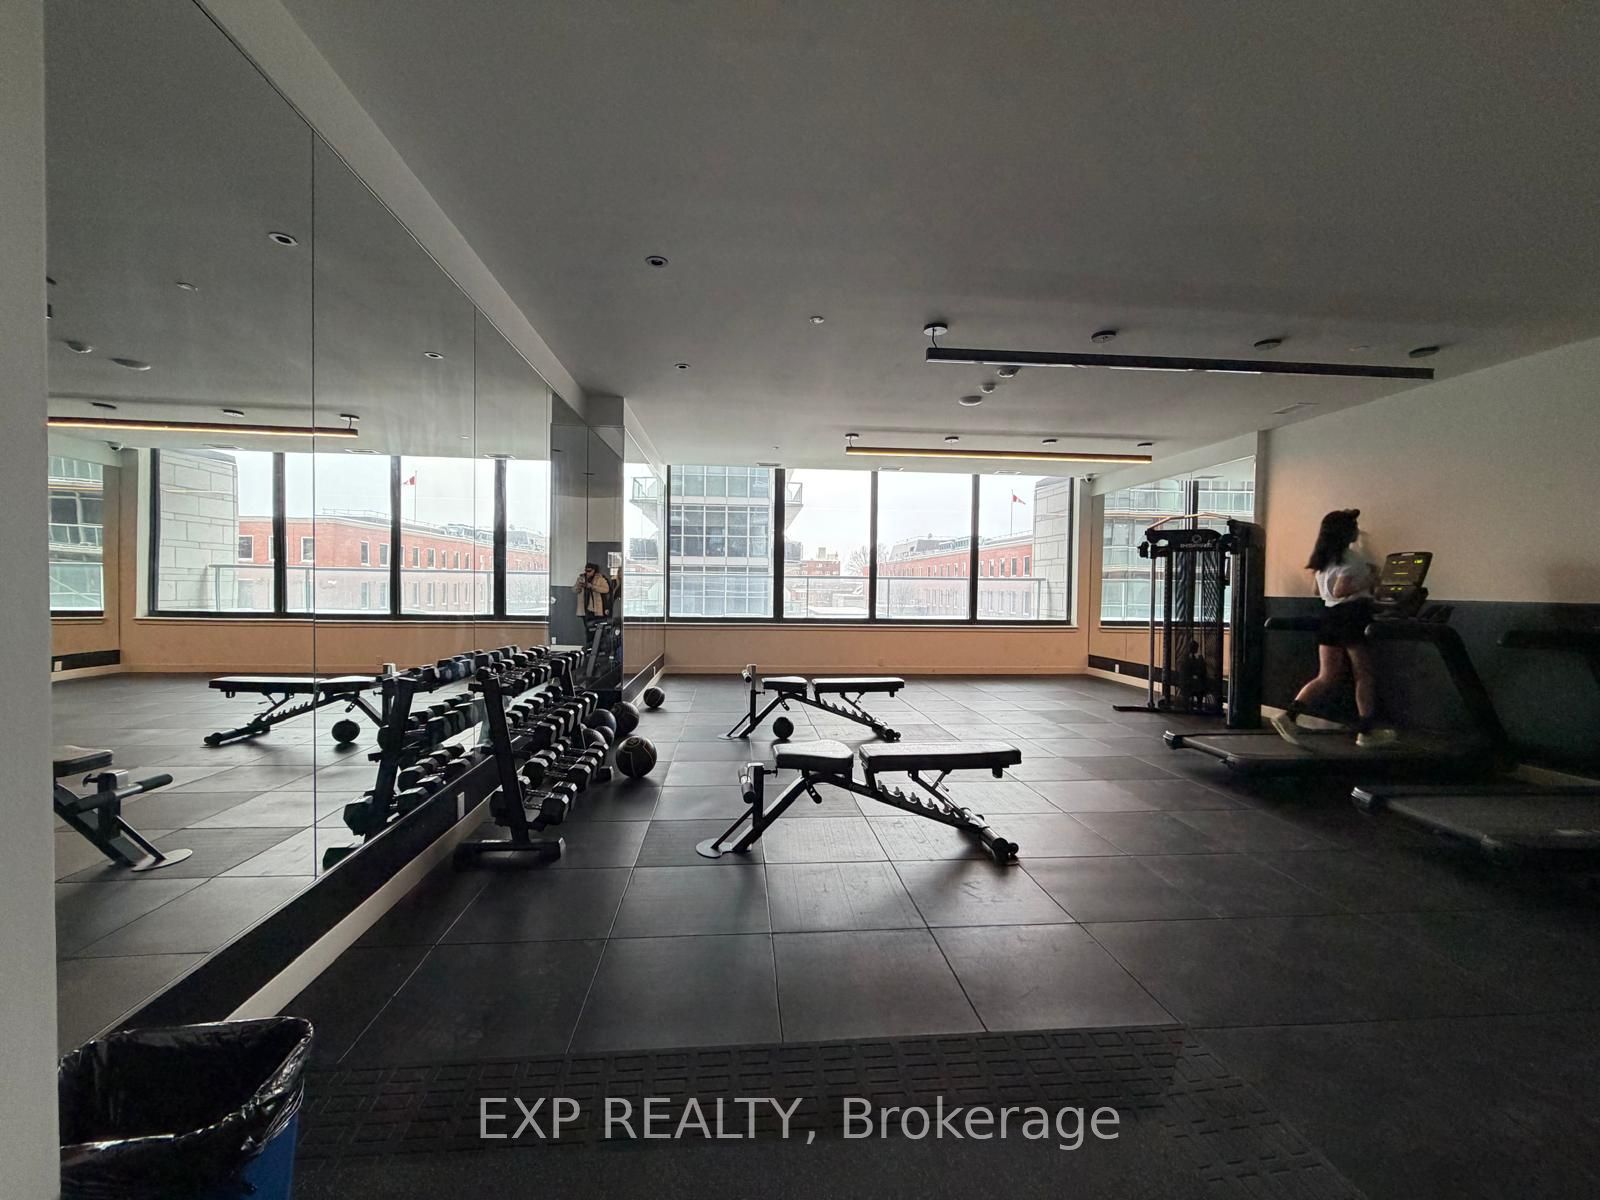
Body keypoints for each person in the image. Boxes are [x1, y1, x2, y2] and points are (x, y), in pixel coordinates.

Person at [1270, 509, 1397, 749]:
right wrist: (1371, 579)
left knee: (1326, 676)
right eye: (1354, 526)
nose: (1357, 530)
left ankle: (1290, 715)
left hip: (1329, 617)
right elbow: (1340, 590)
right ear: (1346, 532)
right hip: (1351, 616)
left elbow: (1317, 591)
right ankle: (1366, 731)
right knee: (1363, 674)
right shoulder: (1352, 560)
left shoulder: (1323, 561)